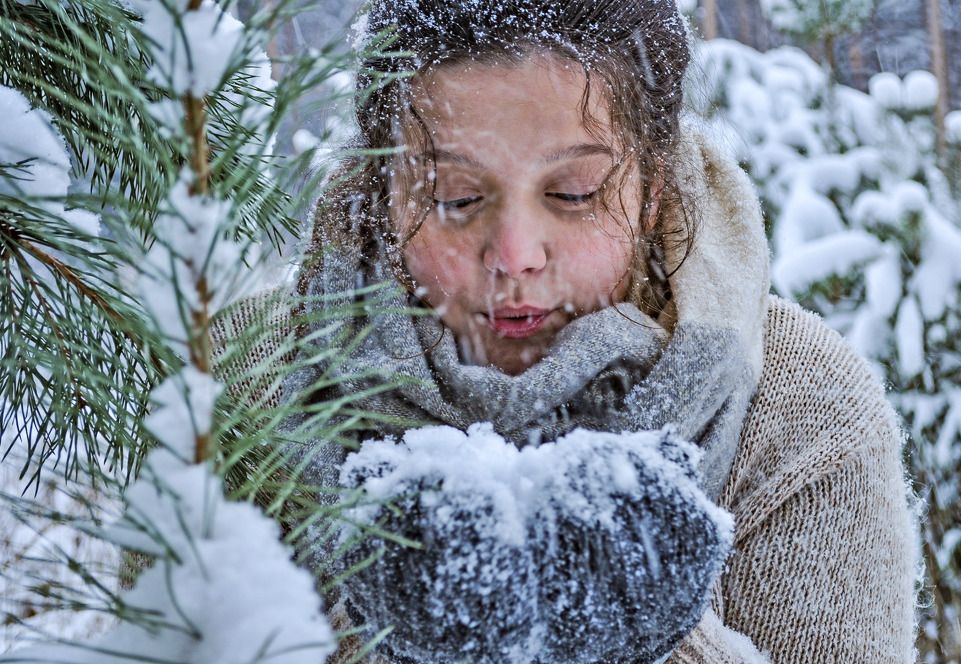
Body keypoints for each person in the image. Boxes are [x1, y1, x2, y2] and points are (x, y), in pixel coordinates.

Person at [226, 0, 922, 661]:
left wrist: (654, 629)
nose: (515, 254)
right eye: (454, 198)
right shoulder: (241, 384)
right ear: (384, 192)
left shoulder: (807, 417)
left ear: (652, 192)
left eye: (574, 194)